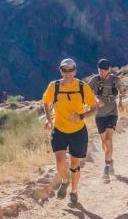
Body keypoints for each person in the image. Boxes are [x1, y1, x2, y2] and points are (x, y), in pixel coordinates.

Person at [42, 58, 98, 206]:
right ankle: (65, 181)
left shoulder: (82, 87)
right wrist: (49, 120)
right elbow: (46, 102)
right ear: (60, 71)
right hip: (59, 129)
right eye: (64, 70)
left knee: (74, 165)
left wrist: (80, 116)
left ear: (75, 71)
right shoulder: (54, 86)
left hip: (78, 131)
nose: (67, 73)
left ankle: (74, 192)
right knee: (60, 162)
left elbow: (94, 108)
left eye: (70, 70)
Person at [87, 58, 125, 180]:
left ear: (108, 69)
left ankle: (107, 168)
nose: (102, 72)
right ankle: (110, 160)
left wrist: (121, 102)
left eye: (104, 70)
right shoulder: (95, 80)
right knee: (104, 142)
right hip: (99, 115)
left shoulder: (115, 79)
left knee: (109, 140)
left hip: (112, 113)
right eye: (100, 70)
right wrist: (95, 100)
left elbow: (121, 90)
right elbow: (86, 92)